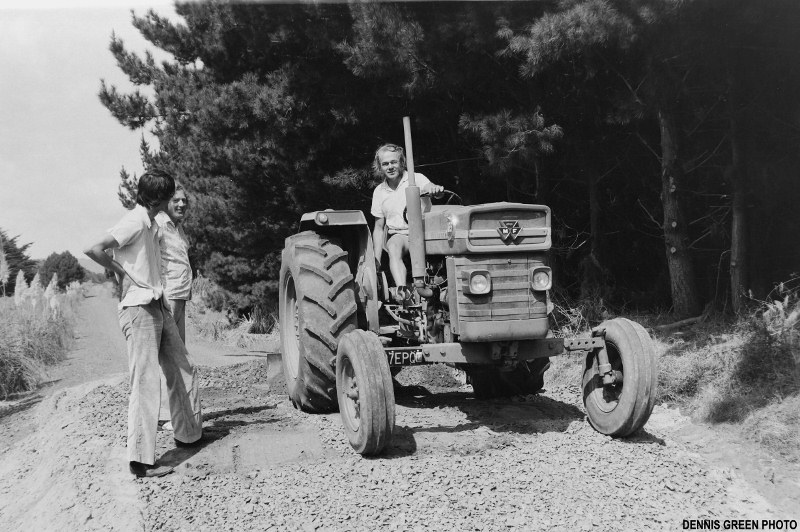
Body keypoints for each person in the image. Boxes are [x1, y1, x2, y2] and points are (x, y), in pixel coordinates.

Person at [84, 169, 203, 478]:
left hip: (156, 303)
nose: (176, 200)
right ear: (160, 198)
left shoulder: (152, 223)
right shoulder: (135, 221)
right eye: (170, 196)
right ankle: (141, 461)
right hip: (138, 309)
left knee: (184, 367)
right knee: (146, 382)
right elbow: (93, 248)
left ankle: (189, 436)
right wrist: (120, 272)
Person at [370, 143, 444, 303]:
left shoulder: (416, 178)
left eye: (393, 162)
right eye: (385, 164)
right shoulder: (379, 192)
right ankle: (403, 291)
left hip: (424, 234)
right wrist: (376, 260)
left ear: (402, 162)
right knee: (393, 245)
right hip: (401, 235)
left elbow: (431, 189)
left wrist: (435, 189)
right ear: (380, 167)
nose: (390, 167)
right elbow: (378, 228)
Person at [155, 184, 192, 343]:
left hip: (181, 293)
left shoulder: (178, 227)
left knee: (179, 345)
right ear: (166, 203)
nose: (182, 204)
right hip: (169, 293)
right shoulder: (159, 224)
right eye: (176, 200)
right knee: (170, 346)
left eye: (184, 200)